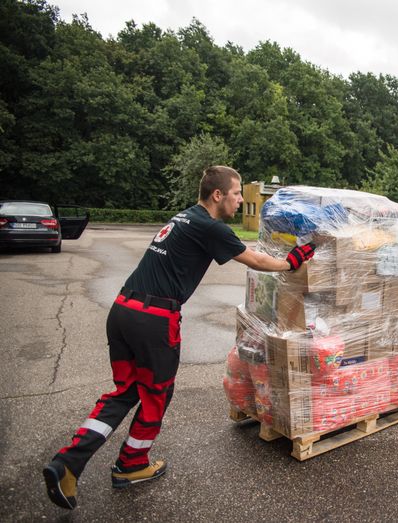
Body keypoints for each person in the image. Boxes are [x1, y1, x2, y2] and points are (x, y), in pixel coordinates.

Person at [42, 166, 315, 510]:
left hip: (123, 309)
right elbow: (254, 259)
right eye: (235, 194)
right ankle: (132, 465)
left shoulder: (185, 218)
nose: (239, 200)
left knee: (126, 391)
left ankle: (67, 462)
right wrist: (290, 263)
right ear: (217, 195)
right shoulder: (209, 226)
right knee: (157, 394)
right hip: (154, 319)